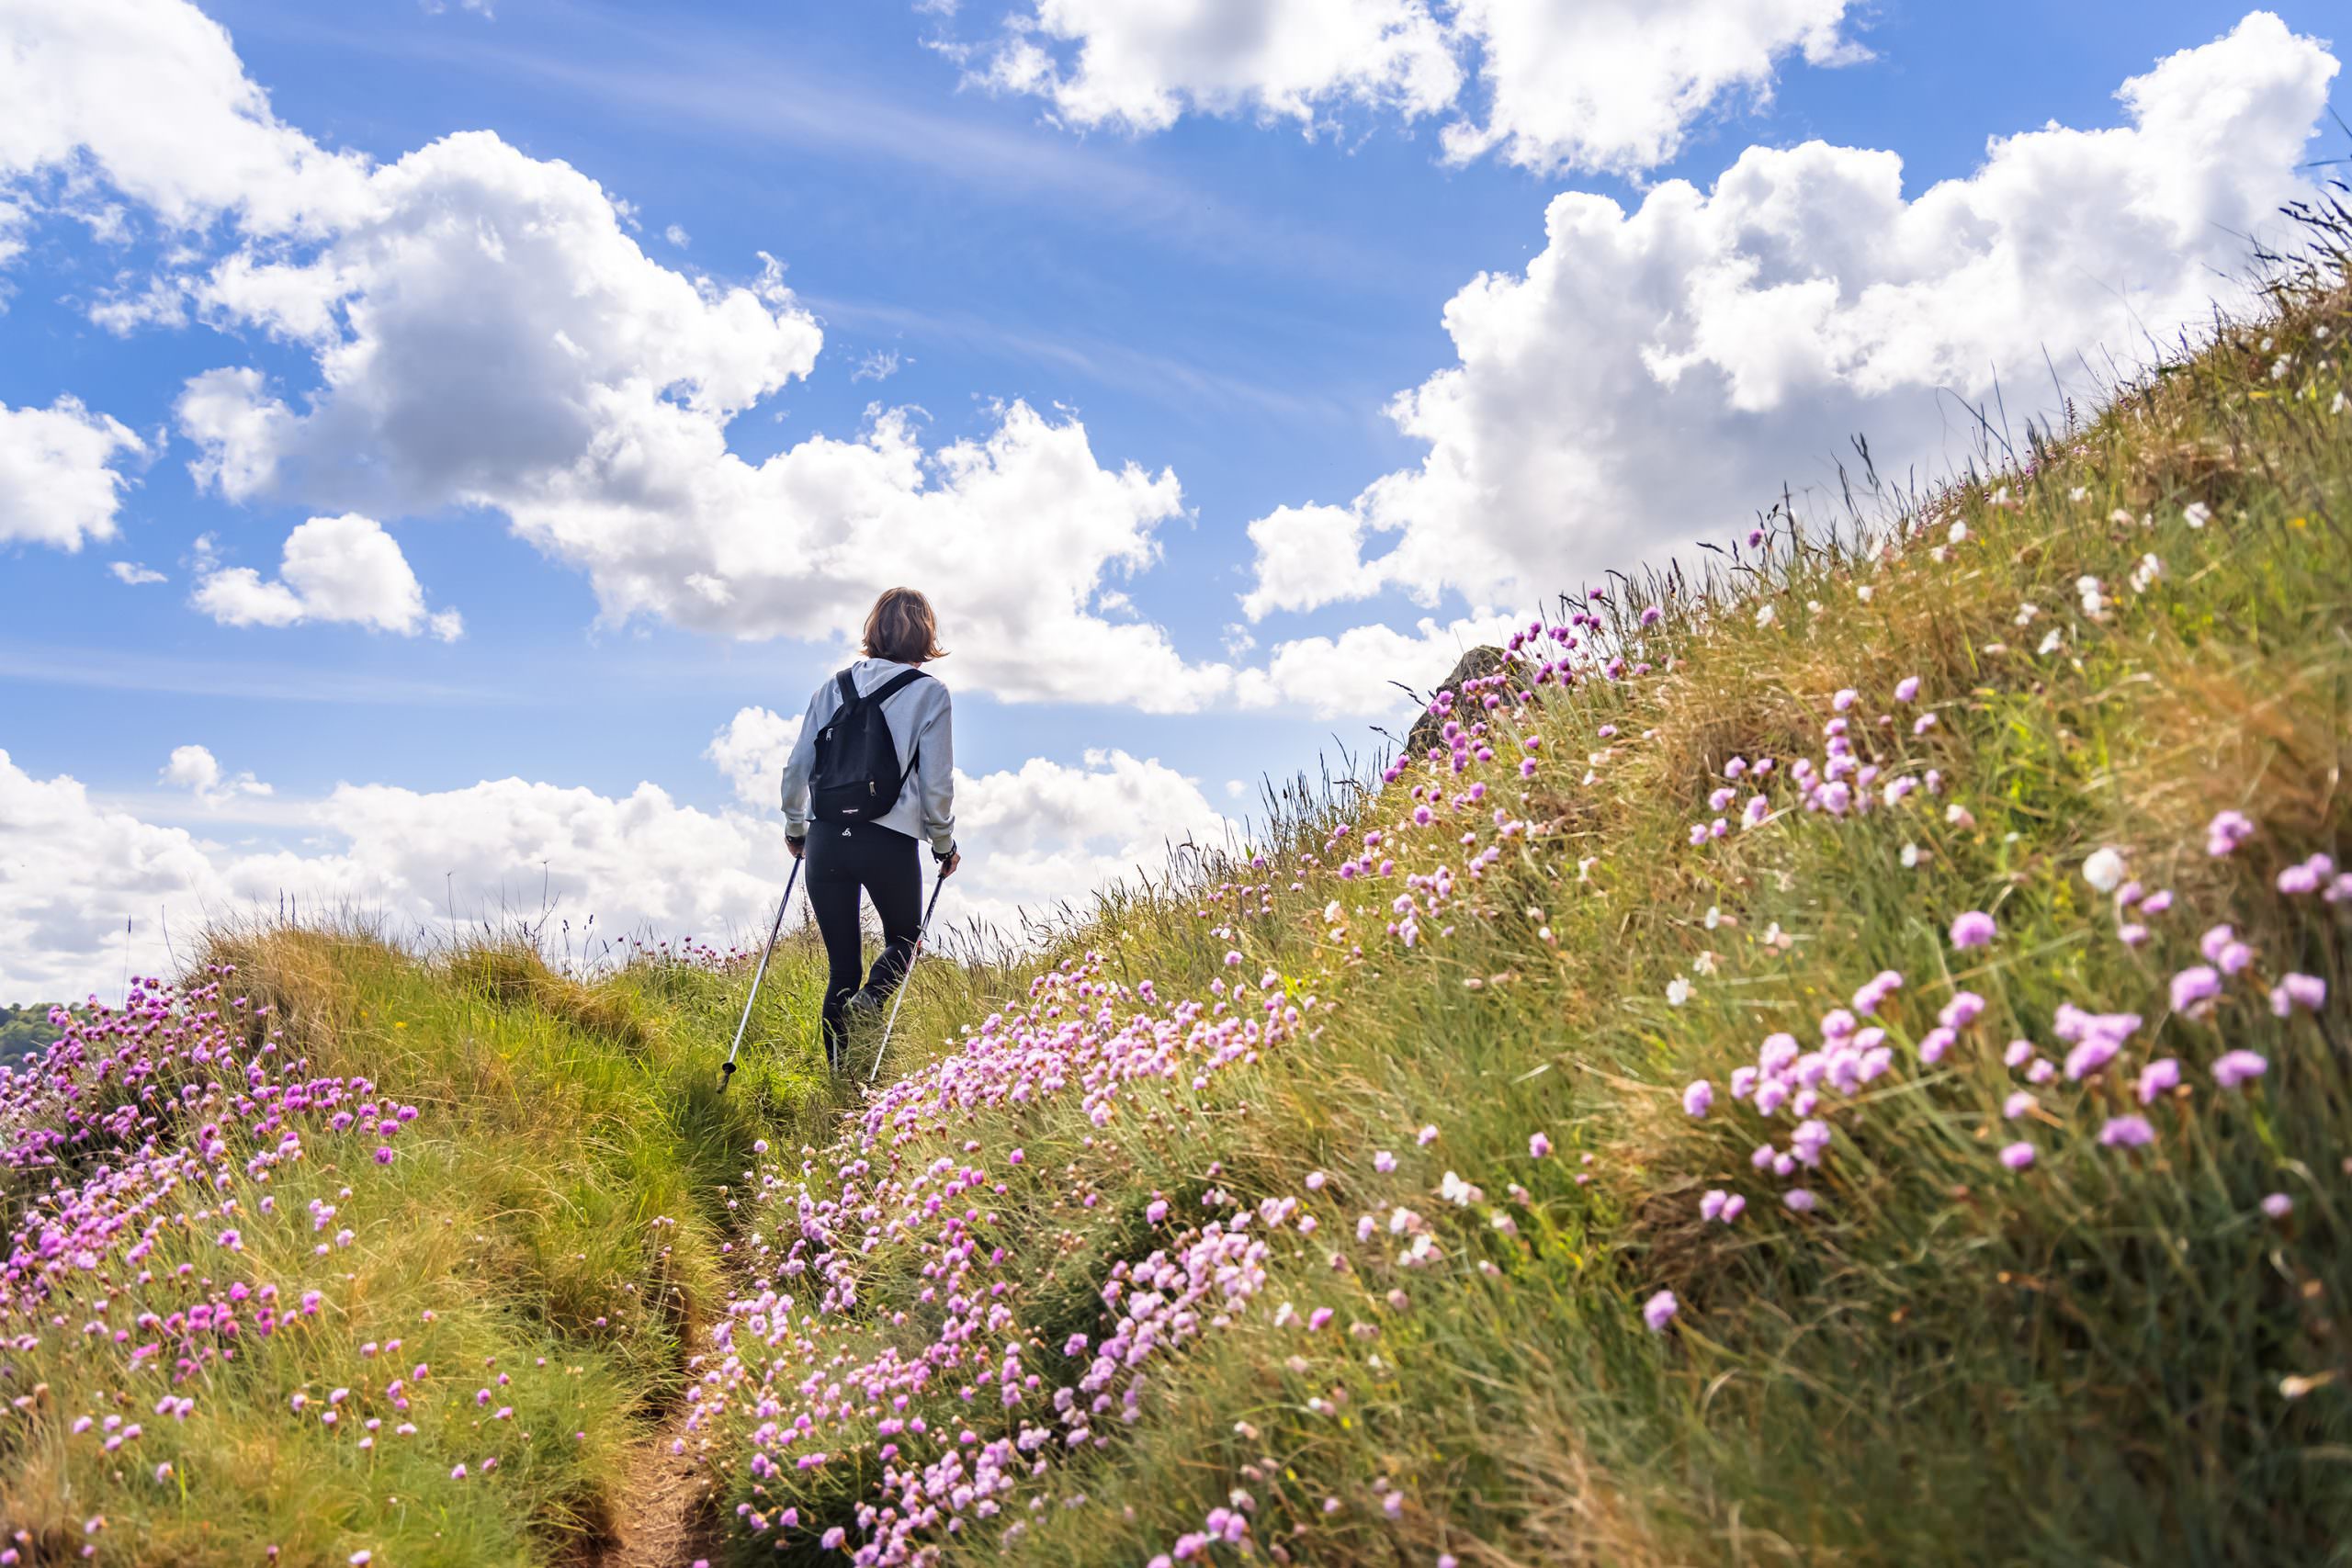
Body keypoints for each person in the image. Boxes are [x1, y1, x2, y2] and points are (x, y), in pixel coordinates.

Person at [777, 587, 961, 1069]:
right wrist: (944, 844)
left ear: (872, 629)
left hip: (825, 838)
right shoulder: (930, 693)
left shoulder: (831, 688)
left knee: (842, 966)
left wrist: (797, 828)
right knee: (904, 940)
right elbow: (937, 783)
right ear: (926, 635)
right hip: (889, 839)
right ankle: (872, 1001)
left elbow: (797, 767)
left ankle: (840, 1073)